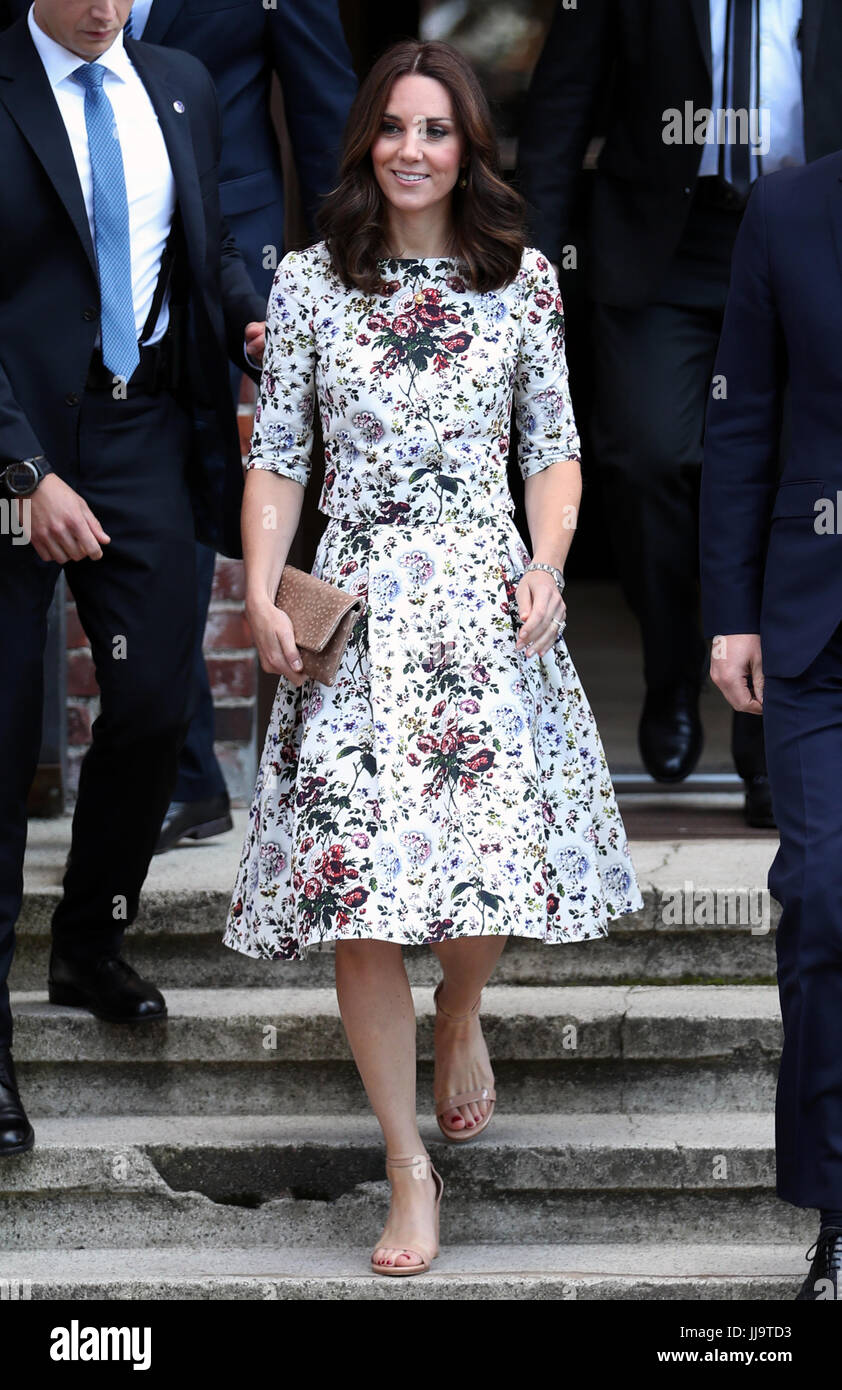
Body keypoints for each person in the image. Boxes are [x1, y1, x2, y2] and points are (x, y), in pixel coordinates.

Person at [223, 39, 643, 1277]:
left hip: (478, 612)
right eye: (393, 127)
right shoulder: (308, 282)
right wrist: (257, 590)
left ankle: (459, 1007)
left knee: (481, 872)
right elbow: (280, 454)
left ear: (470, 148)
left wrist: (548, 563)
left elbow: (553, 447)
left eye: (437, 130)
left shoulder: (520, 283)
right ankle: (406, 1164)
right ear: (366, 140)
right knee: (360, 900)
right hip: (348, 618)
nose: (412, 150)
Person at [0, 0, 266, 1156]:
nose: (106, 5)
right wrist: (20, 468)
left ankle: (91, 938)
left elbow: (194, 260)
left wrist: (257, 325)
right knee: (3, 738)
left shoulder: (179, 86)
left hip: (142, 434)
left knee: (156, 705)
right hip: (16, 452)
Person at [518, 0, 842, 825]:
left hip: (805, 236)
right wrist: (531, 270)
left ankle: (766, 733)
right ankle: (671, 668)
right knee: (647, 457)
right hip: (662, 244)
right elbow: (562, 104)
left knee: (789, 477)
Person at [700, 151, 842, 1299]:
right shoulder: (788, 206)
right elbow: (741, 421)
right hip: (816, 625)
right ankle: (840, 1211)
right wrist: (731, 611)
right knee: (824, 899)